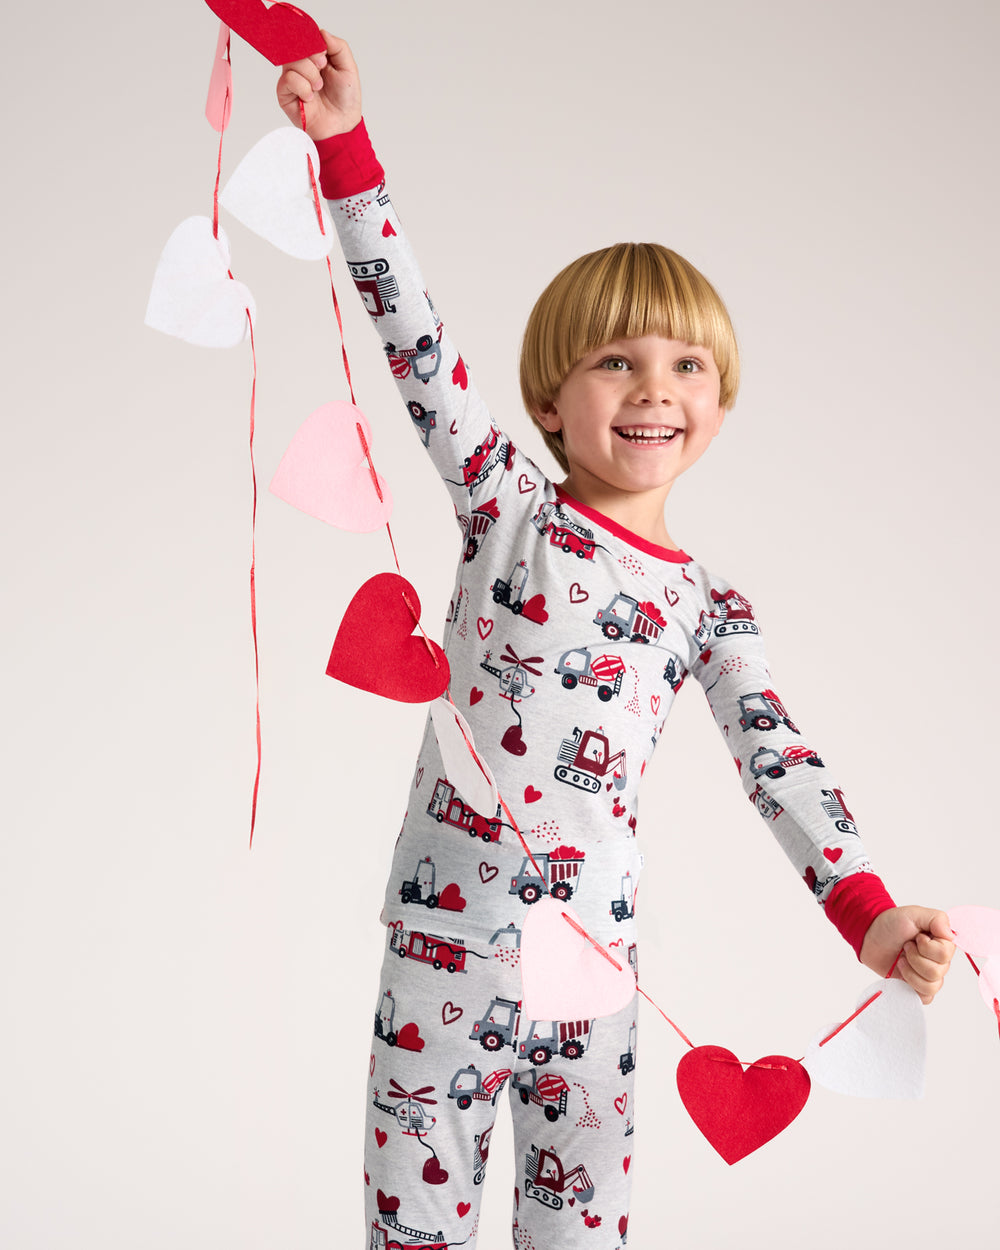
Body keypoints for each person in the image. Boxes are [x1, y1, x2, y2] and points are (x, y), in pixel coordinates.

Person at [277, 32, 955, 1250]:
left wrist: (869, 910)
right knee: (413, 1234)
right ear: (550, 399)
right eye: (615, 360)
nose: (653, 387)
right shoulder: (502, 501)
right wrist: (345, 147)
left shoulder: (707, 602)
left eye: (686, 364)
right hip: (445, 958)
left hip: (598, 989)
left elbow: (777, 758)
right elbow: (412, 340)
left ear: (719, 403)